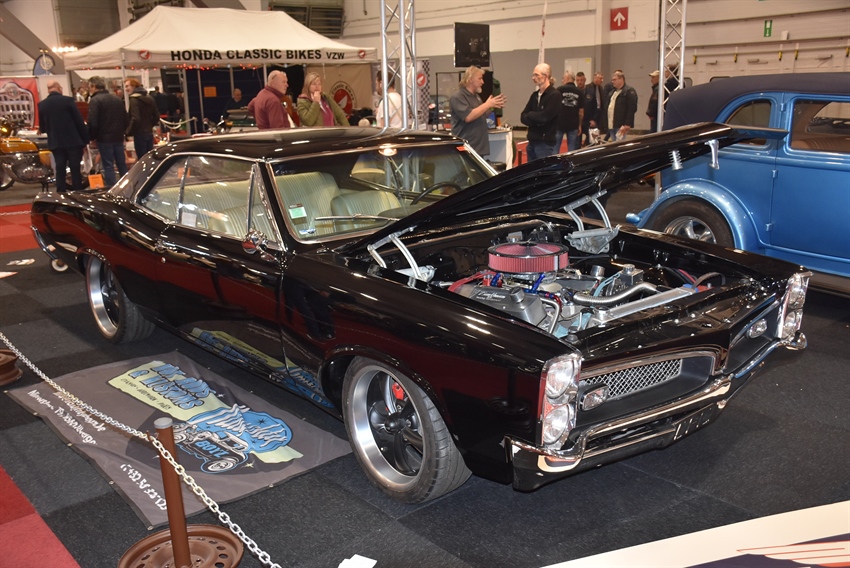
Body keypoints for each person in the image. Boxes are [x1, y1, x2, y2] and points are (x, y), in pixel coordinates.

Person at [37, 80, 88, 193]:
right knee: (75, 168)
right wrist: (85, 140)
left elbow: (43, 127)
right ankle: (78, 192)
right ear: (58, 88)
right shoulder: (68, 101)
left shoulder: (42, 105)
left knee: (60, 168)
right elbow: (79, 121)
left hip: (56, 142)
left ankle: (61, 192)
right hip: (73, 141)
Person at [449, 66, 505, 159]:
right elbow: (468, 117)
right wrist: (487, 105)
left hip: (478, 148)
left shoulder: (476, 96)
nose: (482, 82)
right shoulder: (458, 97)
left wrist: (492, 106)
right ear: (470, 79)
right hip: (466, 148)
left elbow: (481, 115)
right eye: (480, 78)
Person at [87, 76, 128, 187]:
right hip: (118, 136)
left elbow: (93, 122)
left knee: (108, 165)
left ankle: (112, 189)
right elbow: (125, 119)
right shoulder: (117, 99)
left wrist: (92, 137)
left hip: (104, 138)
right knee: (121, 164)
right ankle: (127, 187)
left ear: (93, 86)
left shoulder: (95, 100)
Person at [520, 63, 560, 161]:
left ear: (545, 76)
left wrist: (530, 115)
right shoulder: (534, 95)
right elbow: (523, 116)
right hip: (532, 142)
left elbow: (545, 117)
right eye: (533, 75)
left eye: (536, 75)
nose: (533, 78)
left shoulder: (554, 95)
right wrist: (536, 119)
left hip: (545, 144)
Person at [124, 78, 159, 159]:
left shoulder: (134, 99)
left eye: (127, 86)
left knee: (142, 159)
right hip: (149, 132)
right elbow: (156, 116)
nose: (125, 89)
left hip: (139, 134)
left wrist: (128, 132)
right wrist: (149, 125)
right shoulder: (149, 98)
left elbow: (135, 118)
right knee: (149, 158)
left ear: (134, 86)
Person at [602, 70, 638, 142]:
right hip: (612, 124)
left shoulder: (629, 91)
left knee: (619, 144)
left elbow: (632, 108)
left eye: (614, 80)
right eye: (612, 80)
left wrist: (627, 124)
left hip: (621, 125)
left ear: (621, 79)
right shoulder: (612, 92)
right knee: (614, 143)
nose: (612, 82)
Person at [555, 71, 583, 153]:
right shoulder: (579, 92)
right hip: (573, 124)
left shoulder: (559, 90)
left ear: (567, 78)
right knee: (572, 149)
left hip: (559, 123)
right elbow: (581, 112)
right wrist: (579, 125)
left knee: (555, 147)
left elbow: (554, 107)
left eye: (563, 78)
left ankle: (553, 160)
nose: (562, 80)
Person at [582, 71, 604, 146]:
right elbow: (587, 105)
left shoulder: (600, 88)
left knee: (595, 135)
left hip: (598, 114)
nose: (602, 80)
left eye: (602, 78)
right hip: (590, 117)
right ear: (595, 78)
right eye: (600, 78)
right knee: (592, 136)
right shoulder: (588, 88)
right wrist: (592, 119)